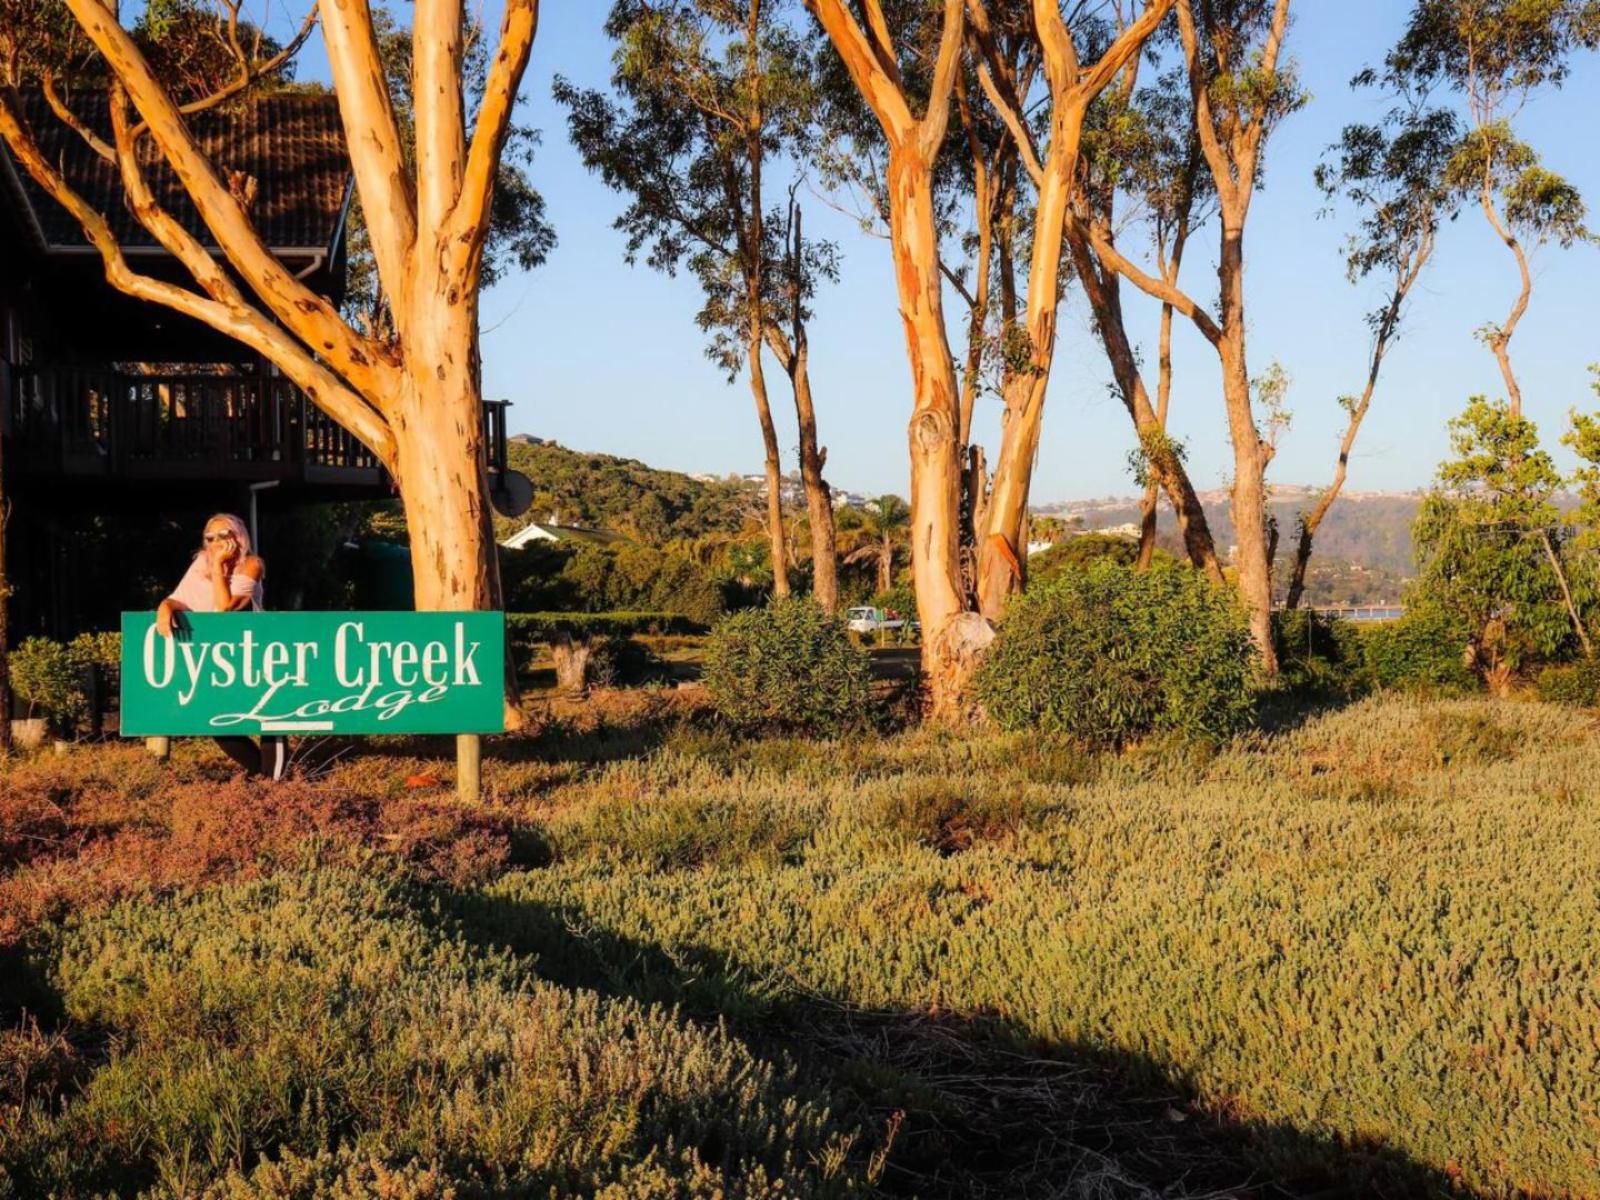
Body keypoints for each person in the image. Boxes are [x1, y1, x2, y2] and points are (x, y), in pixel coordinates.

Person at [155, 513, 287, 779]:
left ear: (237, 537)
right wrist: (165, 607)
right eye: (210, 537)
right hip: (220, 656)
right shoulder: (199, 564)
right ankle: (260, 776)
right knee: (216, 719)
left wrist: (218, 567)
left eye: (224, 535)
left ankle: (275, 786)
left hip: (255, 652)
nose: (216, 542)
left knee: (270, 716)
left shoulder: (252, 564)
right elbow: (181, 599)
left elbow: (227, 609)